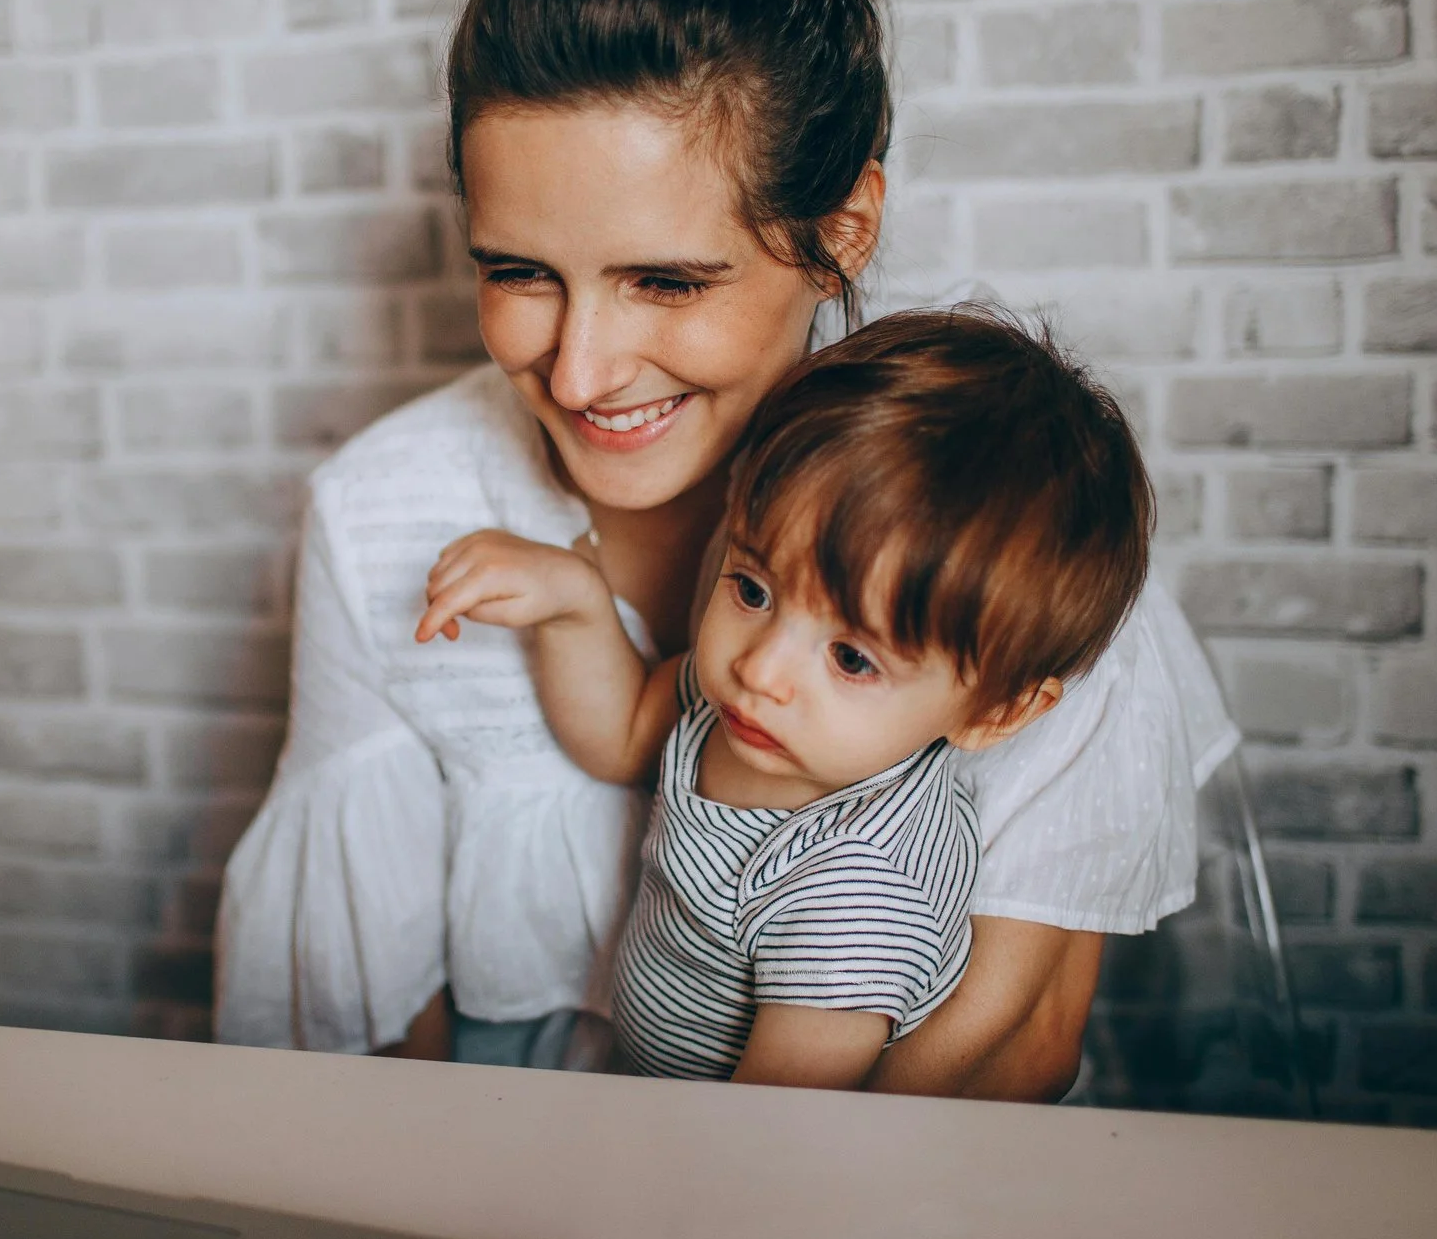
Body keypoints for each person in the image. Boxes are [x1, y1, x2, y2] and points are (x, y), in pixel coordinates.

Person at [214, 0, 1236, 1097]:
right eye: (519, 272)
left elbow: (1007, 1041)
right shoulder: (380, 515)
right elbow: (369, 1033)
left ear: (842, 227)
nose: (581, 372)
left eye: (666, 280)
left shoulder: (1008, 510)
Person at [416, 309, 1156, 1087]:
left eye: (851, 657)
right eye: (753, 588)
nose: (760, 667)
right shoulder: (743, 706)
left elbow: (781, 1124)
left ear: (995, 712)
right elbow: (622, 735)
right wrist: (575, 604)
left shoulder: (859, 888)